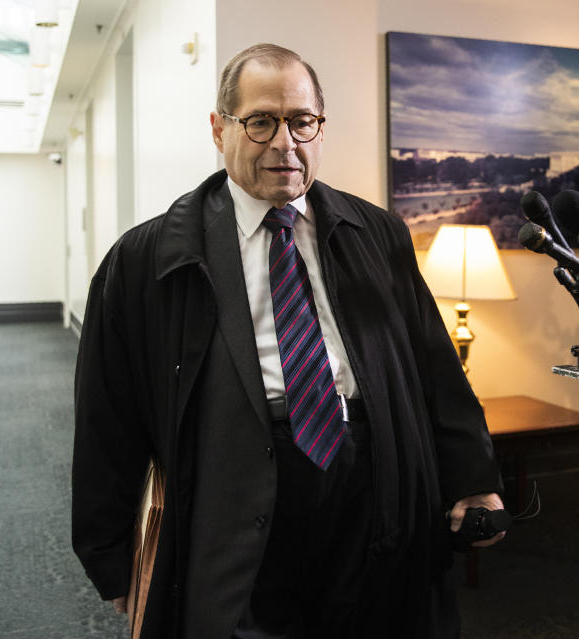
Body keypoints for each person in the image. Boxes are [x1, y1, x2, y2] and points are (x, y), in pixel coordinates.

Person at [72, 43, 504, 639]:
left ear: (319, 128)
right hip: (235, 492)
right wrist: (110, 555)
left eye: (302, 121)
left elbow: (436, 370)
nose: (285, 142)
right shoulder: (145, 260)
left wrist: (473, 478)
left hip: (366, 484)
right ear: (219, 129)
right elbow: (106, 420)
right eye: (261, 122)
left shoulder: (374, 232)